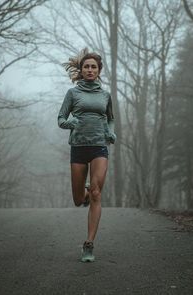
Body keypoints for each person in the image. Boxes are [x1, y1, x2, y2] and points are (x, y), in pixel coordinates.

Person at [57, 48, 116, 262]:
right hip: (79, 148)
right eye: (86, 66)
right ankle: (84, 194)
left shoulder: (105, 95)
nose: (90, 70)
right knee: (78, 199)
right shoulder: (73, 94)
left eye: (93, 67)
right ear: (81, 70)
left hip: (99, 146)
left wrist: (111, 131)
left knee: (97, 192)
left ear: (98, 70)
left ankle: (89, 244)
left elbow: (110, 118)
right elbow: (61, 118)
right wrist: (70, 123)